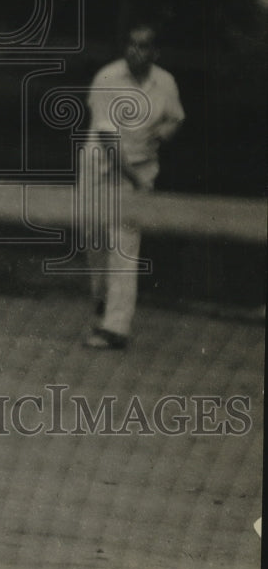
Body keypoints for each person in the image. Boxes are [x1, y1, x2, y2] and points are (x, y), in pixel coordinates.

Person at [83, 23, 185, 349]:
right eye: (129, 44)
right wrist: (136, 179)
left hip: (139, 172)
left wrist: (162, 134)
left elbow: (176, 118)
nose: (134, 51)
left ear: (155, 53)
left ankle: (115, 327)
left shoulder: (165, 82)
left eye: (142, 46)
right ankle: (102, 298)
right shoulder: (107, 79)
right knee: (95, 243)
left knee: (125, 247)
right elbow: (108, 142)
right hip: (100, 168)